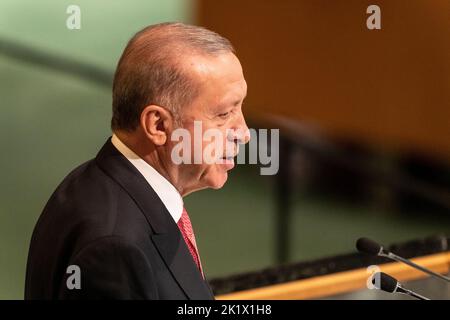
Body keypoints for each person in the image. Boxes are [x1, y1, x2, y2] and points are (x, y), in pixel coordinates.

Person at [25, 22, 250, 300]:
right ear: (158, 126)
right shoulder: (115, 249)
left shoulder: (97, 184)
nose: (243, 133)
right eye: (224, 114)